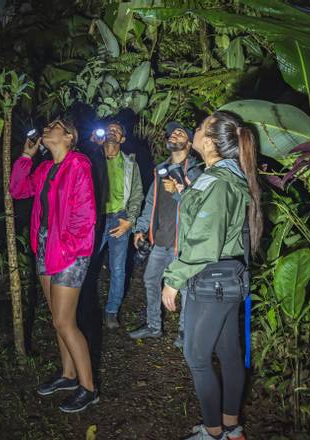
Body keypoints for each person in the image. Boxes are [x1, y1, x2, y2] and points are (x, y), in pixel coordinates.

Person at [161, 111, 263, 440]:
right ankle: (231, 429)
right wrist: (184, 193)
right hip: (228, 276)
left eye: (201, 125)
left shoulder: (219, 181)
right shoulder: (224, 175)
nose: (194, 128)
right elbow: (210, 220)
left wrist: (173, 279)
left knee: (196, 356)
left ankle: (213, 431)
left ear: (208, 141)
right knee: (229, 354)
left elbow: (205, 241)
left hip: (212, 279)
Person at [9, 118, 99, 413]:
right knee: (56, 317)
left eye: (55, 126)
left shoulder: (79, 164)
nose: (47, 128)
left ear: (70, 137)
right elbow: (18, 190)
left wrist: (70, 249)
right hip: (46, 247)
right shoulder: (46, 168)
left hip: (70, 250)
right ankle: (68, 375)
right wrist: (26, 156)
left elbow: (85, 217)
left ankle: (88, 388)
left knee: (64, 321)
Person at [129, 121, 202, 347]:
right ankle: (153, 326)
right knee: (151, 280)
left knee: (187, 289)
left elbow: (201, 208)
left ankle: (184, 332)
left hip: (183, 244)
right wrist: (140, 229)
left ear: (189, 144)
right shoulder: (160, 169)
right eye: (172, 133)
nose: (174, 134)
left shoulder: (196, 172)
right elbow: (151, 202)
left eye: (180, 133)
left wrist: (180, 192)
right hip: (160, 240)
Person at [89, 121, 143, 329]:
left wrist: (130, 220)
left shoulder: (130, 163)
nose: (112, 131)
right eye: (109, 128)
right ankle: (82, 305)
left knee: (118, 268)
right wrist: (93, 146)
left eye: (117, 130)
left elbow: (137, 194)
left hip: (119, 218)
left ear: (122, 139)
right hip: (95, 218)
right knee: (86, 263)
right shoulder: (92, 158)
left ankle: (111, 311)